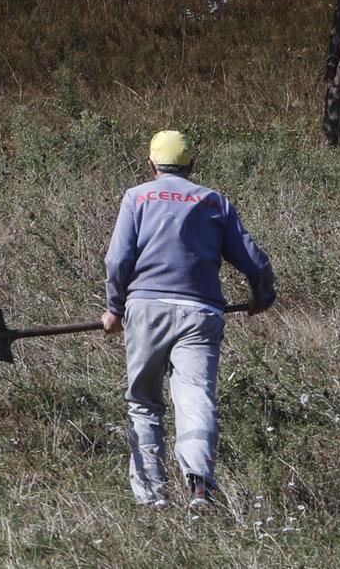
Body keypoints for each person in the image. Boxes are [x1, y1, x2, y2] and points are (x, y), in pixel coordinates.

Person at [102, 129, 276, 510]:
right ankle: (200, 486)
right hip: (202, 314)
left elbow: (117, 261)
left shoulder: (137, 197)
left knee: (145, 402)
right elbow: (254, 260)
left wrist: (115, 308)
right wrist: (262, 296)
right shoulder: (214, 202)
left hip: (146, 312)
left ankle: (152, 498)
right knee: (196, 397)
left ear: (150, 165)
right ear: (192, 166)